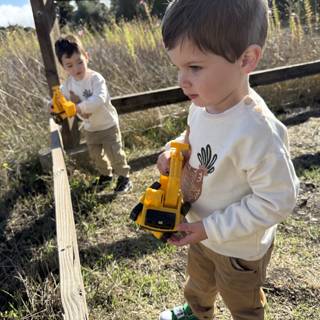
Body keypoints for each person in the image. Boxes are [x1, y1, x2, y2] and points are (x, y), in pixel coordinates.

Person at [157, 1, 299, 319]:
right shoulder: (203, 105)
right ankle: (198, 312)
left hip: (238, 248)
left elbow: (277, 200)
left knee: (242, 303)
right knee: (198, 284)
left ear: (245, 59)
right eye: (178, 67)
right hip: (200, 231)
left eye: (194, 67)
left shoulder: (257, 131)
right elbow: (192, 137)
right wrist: (175, 149)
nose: (183, 80)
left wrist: (211, 228)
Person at [54, 34, 132, 193]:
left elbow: (100, 99)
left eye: (79, 62)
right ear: (63, 66)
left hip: (107, 124)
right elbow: (60, 99)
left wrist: (78, 108)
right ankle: (106, 175)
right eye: (69, 65)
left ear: (86, 57)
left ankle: (124, 177)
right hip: (90, 128)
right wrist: (54, 105)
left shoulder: (95, 79)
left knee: (115, 153)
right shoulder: (68, 85)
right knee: (96, 155)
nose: (76, 68)